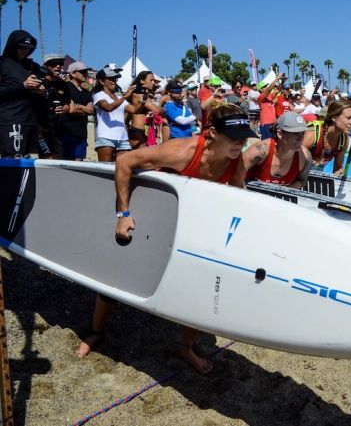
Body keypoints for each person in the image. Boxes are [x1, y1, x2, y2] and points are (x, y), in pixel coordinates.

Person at [76, 103, 255, 373]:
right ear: (212, 133)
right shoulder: (181, 151)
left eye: (244, 137)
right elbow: (125, 161)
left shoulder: (236, 159)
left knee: (203, 285)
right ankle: (95, 332)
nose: (241, 143)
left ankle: (185, 347)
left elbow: (238, 191)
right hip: (155, 218)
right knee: (119, 273)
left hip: (193, 221)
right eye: (234, 137)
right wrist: (123, 213)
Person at [0, 30, 43, 157]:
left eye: (28, 48)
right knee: (13, 160)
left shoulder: (31, 66)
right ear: (12, 46)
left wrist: (40, 90)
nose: (24, 51)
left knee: (30, 162)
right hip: (10, 120)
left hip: (31, 121)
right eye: (21, 47)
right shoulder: (2, 63)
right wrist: (23, 86)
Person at [246, 112, 312, 188]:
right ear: (280, 134)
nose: (300, 138)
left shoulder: (305, 156)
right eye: (295, 133)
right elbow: (236, 174)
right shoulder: (260, 151)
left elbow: (302, 181)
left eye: (303, 133)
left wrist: (282, 192)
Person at [92, 66, 137, 162]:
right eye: (111, 79)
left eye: (115, 78)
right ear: (102, 81)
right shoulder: (98, 95)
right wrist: (125, 97)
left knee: (123, 168)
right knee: (104, 170)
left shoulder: (118, 96)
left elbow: (133, 110)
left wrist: (143, 99)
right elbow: (109, 108)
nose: (114, 81)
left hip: (123, 137)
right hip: (105, 137)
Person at [304, 99, 351, 172]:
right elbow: (293, 161)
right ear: (334, 117)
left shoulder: (343, 140)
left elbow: (337, 168)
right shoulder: (313, 133)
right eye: (348, 118)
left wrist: (340, 172)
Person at [36, 53, 71, 158]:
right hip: (40, 128)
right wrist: (37, 125)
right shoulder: (37, 80)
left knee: (58, 159)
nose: (58, 66)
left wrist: (64, 109)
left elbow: (68, 104)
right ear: (46, 66)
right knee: (47, 157)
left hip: (58, 128)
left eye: (60, 63)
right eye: (54, 64)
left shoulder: (63, 84)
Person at [59, 61, 95, 160]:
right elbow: (71, 109)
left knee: (79, 162)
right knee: (67, 162)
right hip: (68, 131)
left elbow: (91, 110)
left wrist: (78, 106)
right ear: (73, 73)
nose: (85, 74)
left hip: (82, 133)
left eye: (86, 72)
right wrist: (84, 109)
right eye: (82, 72)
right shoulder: (66, 87)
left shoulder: (86, 92)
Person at [126, 71, 162, 149]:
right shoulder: (138, 94)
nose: (153, 83)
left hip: (145, 131)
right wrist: (164, 110)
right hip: (137, 130)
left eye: (154, 81)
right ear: (142, 81)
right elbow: (157, 110)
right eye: (151, 80)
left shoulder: (146, 94)